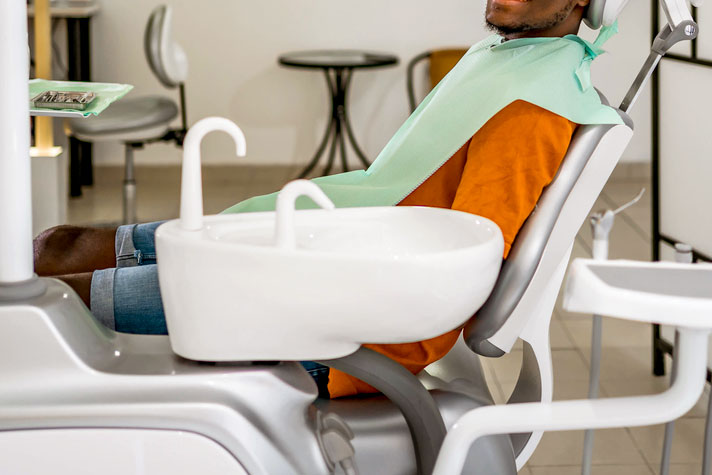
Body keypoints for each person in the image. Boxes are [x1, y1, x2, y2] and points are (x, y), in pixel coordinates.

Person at [35, 0, 619, 398]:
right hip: (324, 251)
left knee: (47, 298)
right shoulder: (509, 61)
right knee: (58, 246)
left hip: (334, 310)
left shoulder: (532, 109)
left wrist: (344, 339)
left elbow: (464, 268)